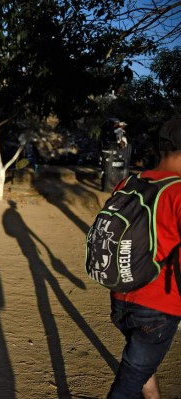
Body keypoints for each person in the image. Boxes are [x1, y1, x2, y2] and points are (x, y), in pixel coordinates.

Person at [107, 117, 181, 398]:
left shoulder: (129, 182)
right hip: (158, 309)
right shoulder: (178, 191)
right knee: (130, 380)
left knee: (142, 367)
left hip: (121, 298)